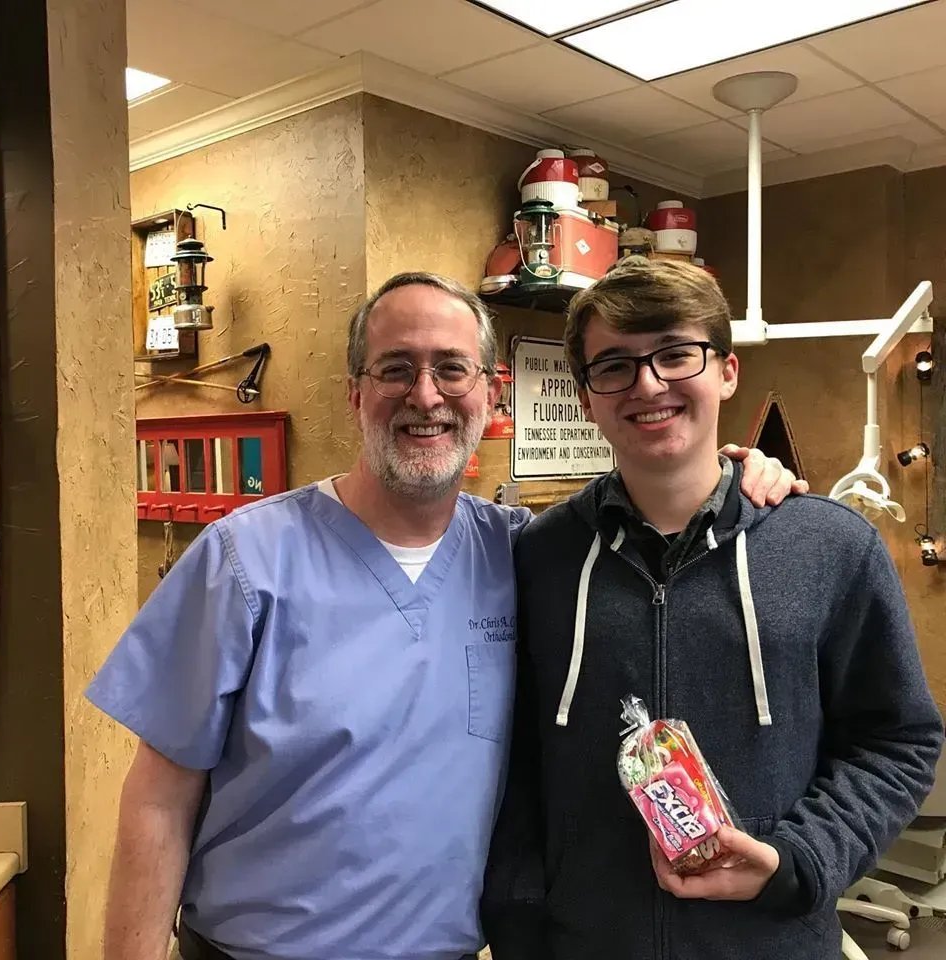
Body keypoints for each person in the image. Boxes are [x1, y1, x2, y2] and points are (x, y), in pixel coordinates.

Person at [86, 271, 802, 960]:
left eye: (451, 370)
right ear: (355, 394)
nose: (424, 396)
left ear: (490, 395)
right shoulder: (243, 560)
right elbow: (157, 800)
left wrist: (738, 477)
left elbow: (660, 508)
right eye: (395, 369)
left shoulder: (522, 554)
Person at [480, 256, 945, 960]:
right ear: (586, 397)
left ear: (727, 371)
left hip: (771, 942)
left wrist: (800, 861)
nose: (648, 384)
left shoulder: (829, 547)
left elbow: (897, 742)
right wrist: (519, 925)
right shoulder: (539, 558)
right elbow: (513, 764)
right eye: (615, 366)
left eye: (676, 353)